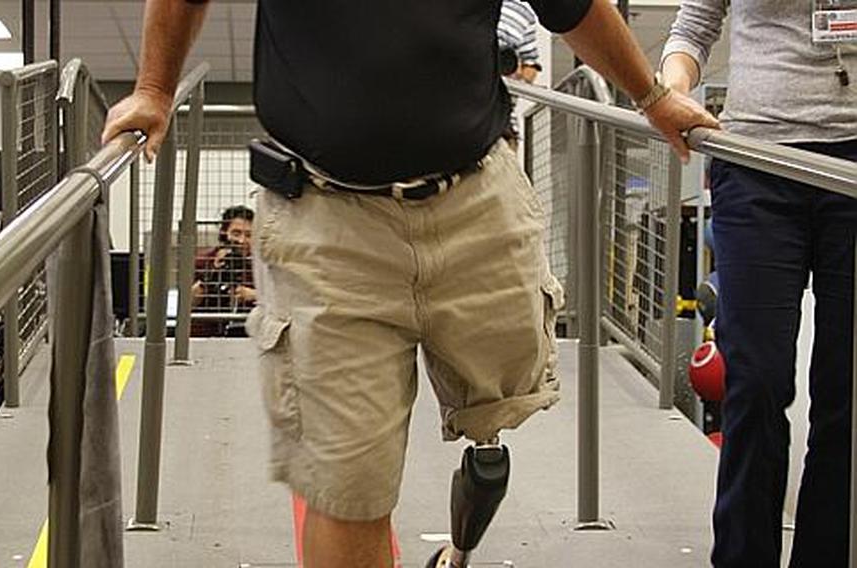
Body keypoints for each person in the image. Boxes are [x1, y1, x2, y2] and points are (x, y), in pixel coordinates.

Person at [103, 0, 717, 565]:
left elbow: (573, 6)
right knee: (346, 487)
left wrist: (655, 98)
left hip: (476, 200)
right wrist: (154, 91)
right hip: (327, 223)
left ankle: (473, 487)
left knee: (503, 405)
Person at [661, 1, 857, 566]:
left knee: (849, 391)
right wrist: (671, 90)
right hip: (757, 163)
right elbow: (693, 27)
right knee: (756, 381)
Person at [190, 205, 256, 336]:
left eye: (248, 235)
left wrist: (253, 295)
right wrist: (211, 276)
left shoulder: (262, 266)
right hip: (204, 333)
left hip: (247, 334)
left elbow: (281, 300)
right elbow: (186, 303)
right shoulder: (204, 260)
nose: (242, 240)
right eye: (236, 233)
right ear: (224, 232)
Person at [497, 0, 544, 147]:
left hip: (502, 126)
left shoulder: (523, 10)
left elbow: (530, 63)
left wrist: (518, 79)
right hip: (448, 118)